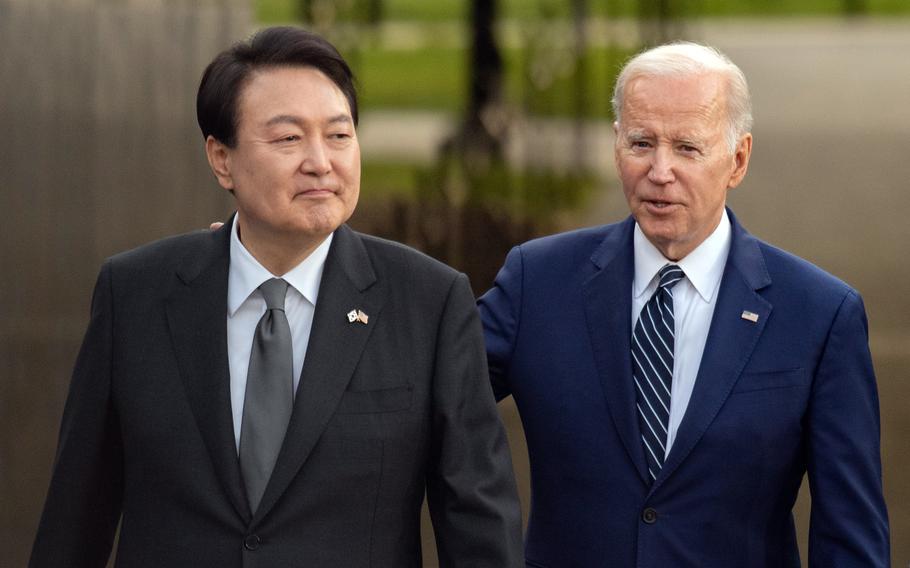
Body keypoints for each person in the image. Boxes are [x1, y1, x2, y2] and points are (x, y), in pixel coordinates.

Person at [30, 26, 522, 567]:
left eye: (339, 135)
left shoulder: (428, 302)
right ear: (222, 159)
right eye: (288, 139)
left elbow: (477, 525)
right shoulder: (136, 294)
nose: (320, 162)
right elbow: (76, 516)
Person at [478, 42, 889, 566]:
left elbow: (850, 537)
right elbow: (417, 394)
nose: (659, 170)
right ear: (616, 145)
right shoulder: (537, 282)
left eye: (687, 148)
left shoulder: (820, 314)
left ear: (737, 159)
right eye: (641, 142)